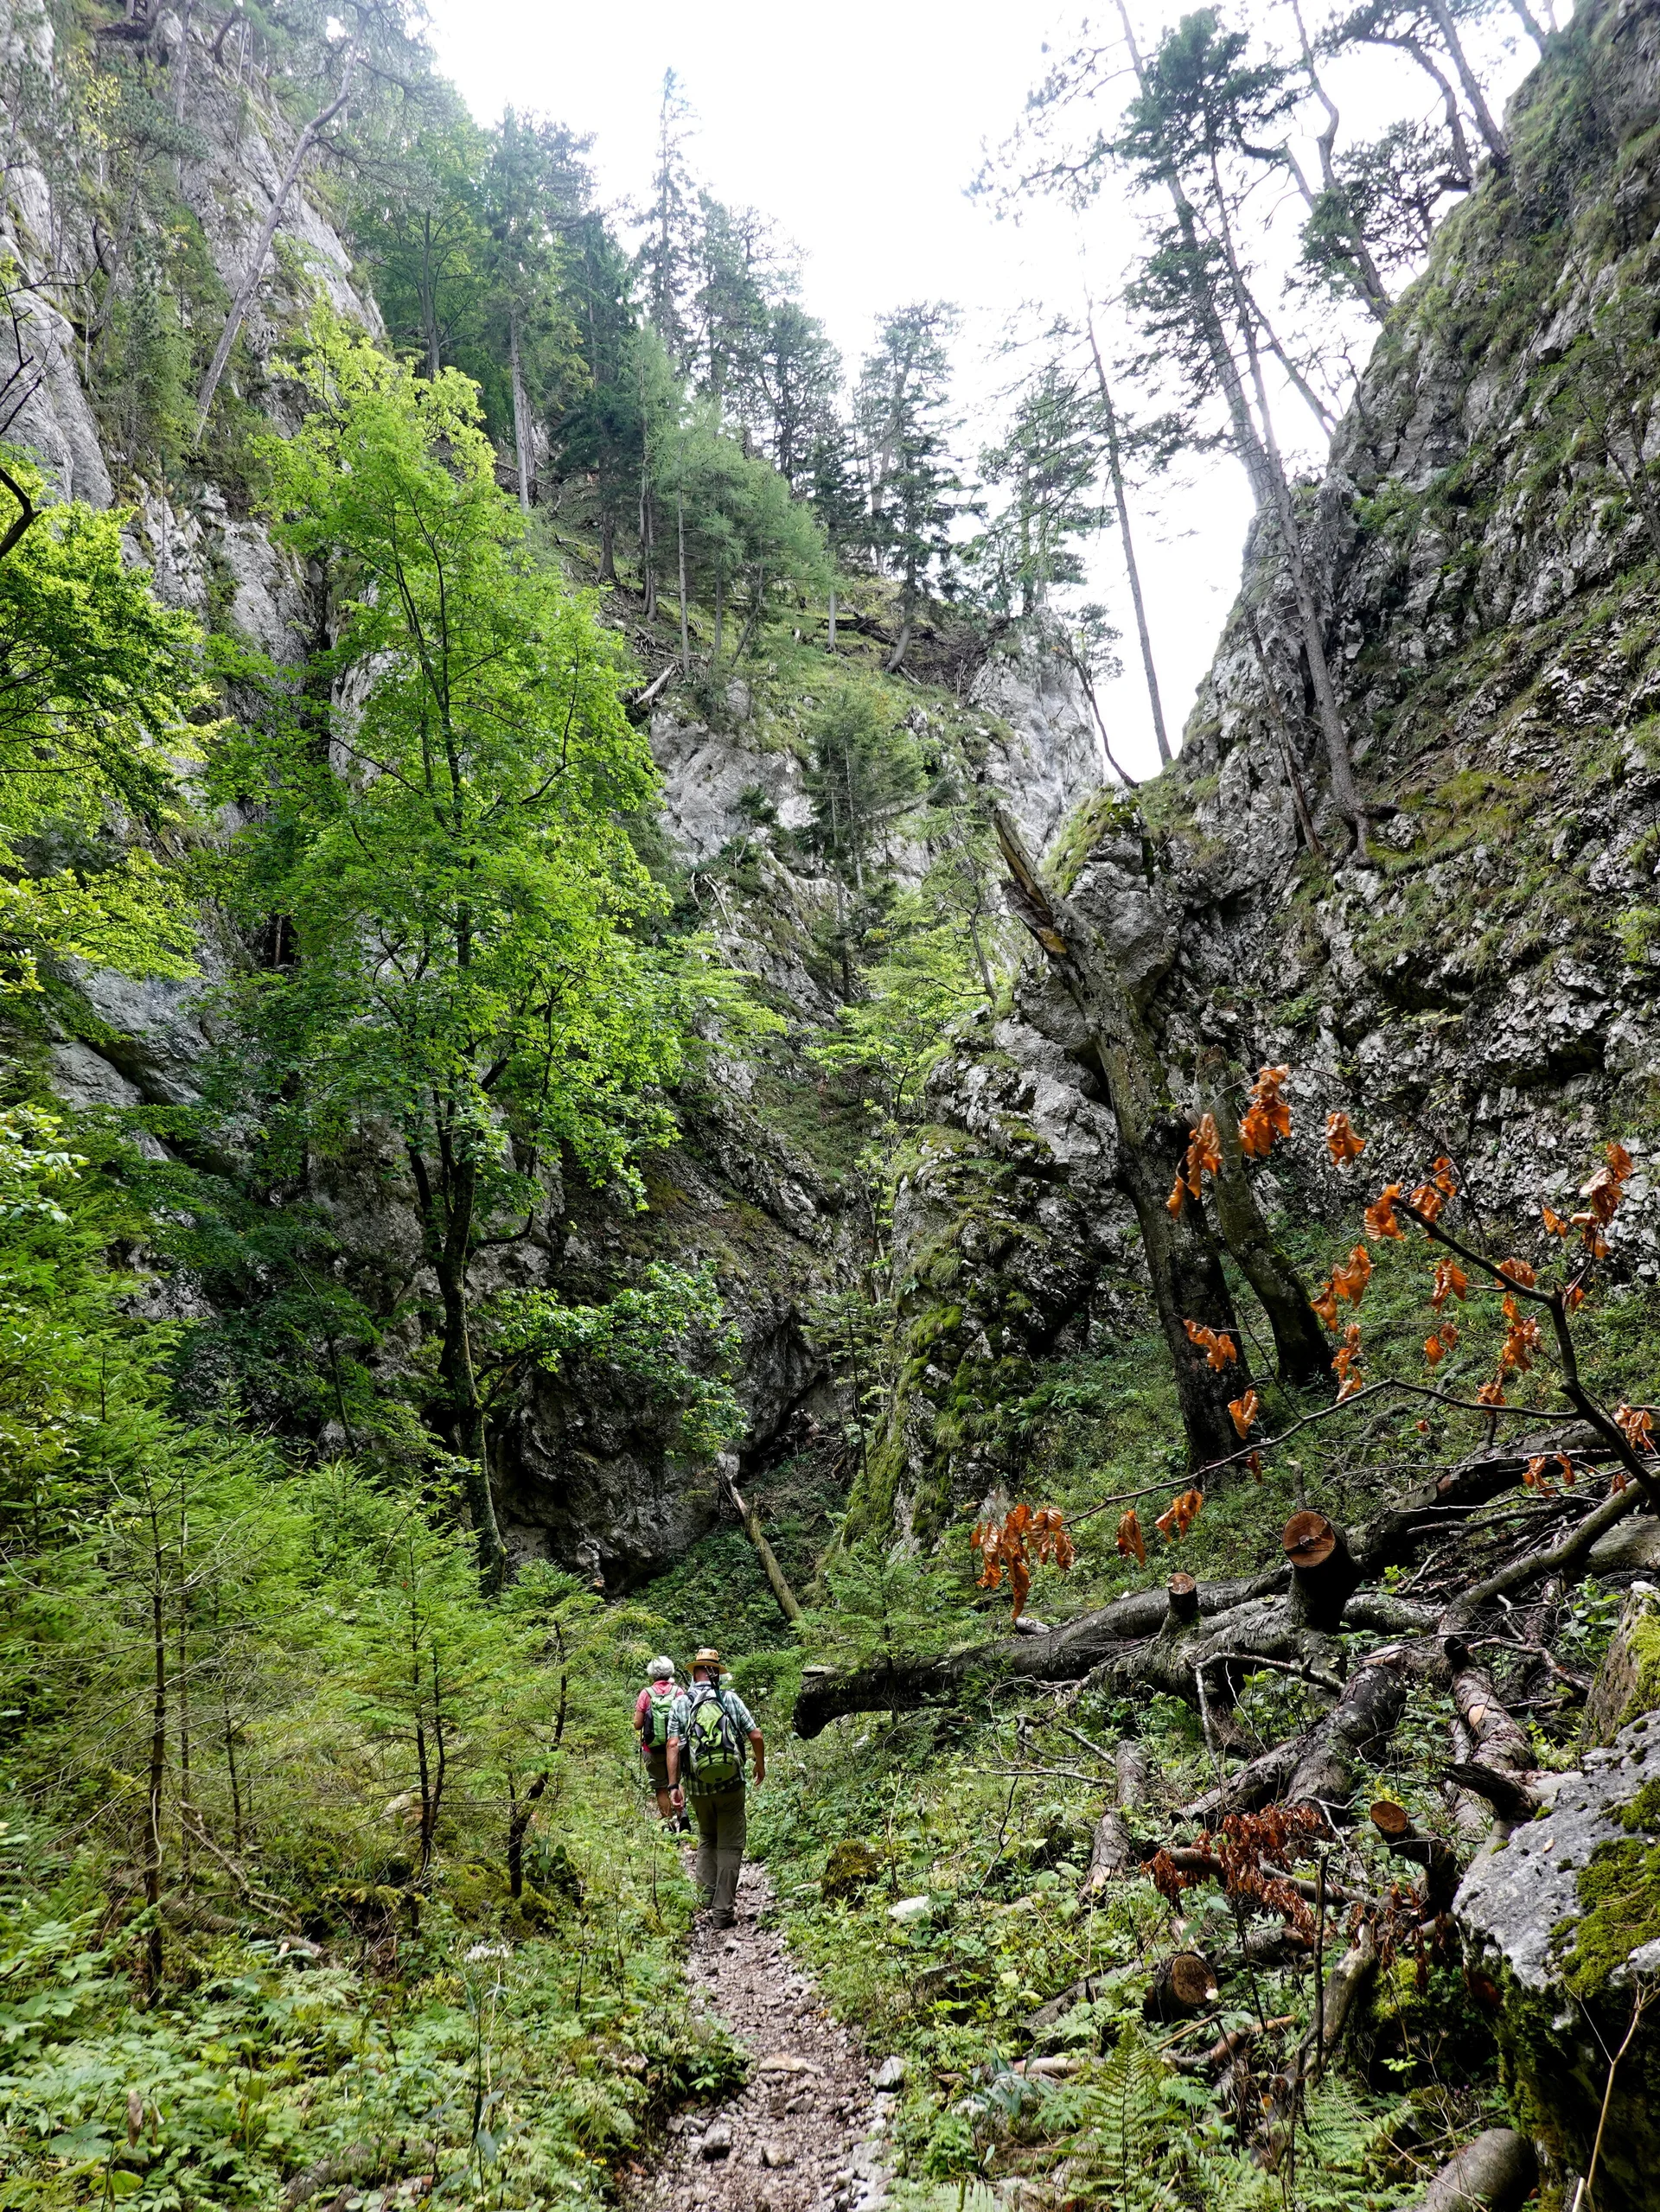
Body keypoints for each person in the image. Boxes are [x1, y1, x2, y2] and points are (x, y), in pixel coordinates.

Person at [667, 1647, 763, 1929]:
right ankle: (722, 1913)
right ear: (716, 1672)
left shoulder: (681, 1704)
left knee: (707, 1837)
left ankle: (706, 1896)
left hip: (697, 1787)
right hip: (732, 1784)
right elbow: (755, 1734)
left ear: (695, 1671)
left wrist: (674, 1785)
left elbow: (673, 1745)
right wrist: (760, 1764)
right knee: (731, 1844)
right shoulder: (729, 1699)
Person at [634, 1655, 680, 1824]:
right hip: (676, 1746)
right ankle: (683, 1820)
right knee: (677, 1782)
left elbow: (637, 1725)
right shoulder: (679, 1692)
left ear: (651, 1673)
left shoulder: (646, 1694)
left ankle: (668, 1826)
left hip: (652, 1749)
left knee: (661, 1788)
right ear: (670, 1671)